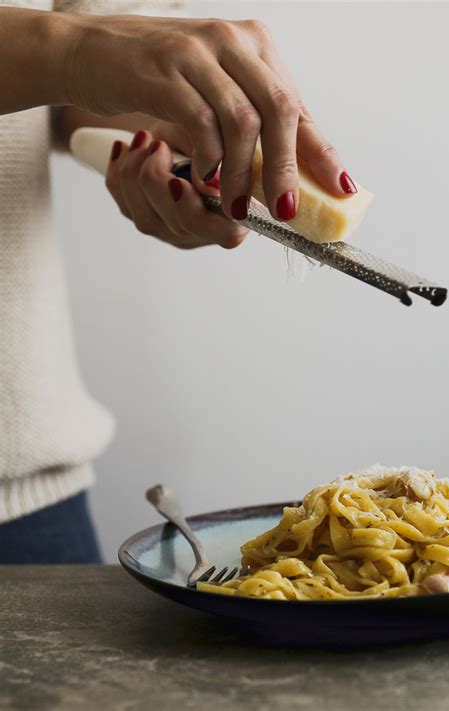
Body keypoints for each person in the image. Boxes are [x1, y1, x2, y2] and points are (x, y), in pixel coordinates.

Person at [0, 1, 357, 563]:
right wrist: (67, 49)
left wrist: (178, 130)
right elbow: (70, 55)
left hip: (31, 490)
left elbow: (67, 100)